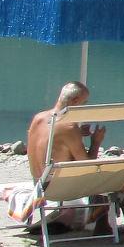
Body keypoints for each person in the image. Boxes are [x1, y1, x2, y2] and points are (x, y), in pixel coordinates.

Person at [18, 81, 104, 232]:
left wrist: (78, 135)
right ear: (75, 101)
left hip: (38, 182)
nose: (84, 107)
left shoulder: (38, 118)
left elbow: (53, 143)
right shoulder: (69, 127)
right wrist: (95, 142)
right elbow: (87, 165)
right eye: (84, 103)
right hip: (58, 188)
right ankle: (105, 227)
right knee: (114, 180)